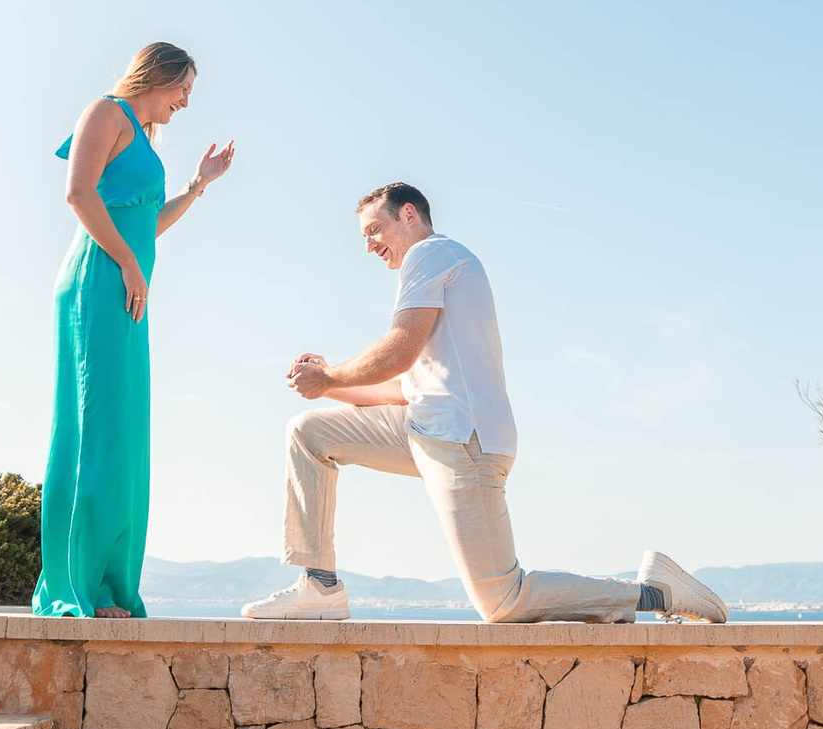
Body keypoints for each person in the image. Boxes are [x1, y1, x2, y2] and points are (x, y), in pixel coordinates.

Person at [244, 182, 727, 624]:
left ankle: (651, 592)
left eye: (375, 229)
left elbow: (400, 348)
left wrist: (329, 374)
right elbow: (403, 385)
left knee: (501, 600)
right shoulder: (431, 271)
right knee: (310, 432)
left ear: (409, 215)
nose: (369, 243)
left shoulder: (431, 254)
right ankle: (320, 588)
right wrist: (326, 387)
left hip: (462, 440)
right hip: (423, 426)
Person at [33, 42, 235, 618]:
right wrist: (125, 261)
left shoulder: (144, 140)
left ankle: (108, 586)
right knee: (94, 431)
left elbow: (150, 221)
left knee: (123, 438)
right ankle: (77, 587)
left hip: (127, 291)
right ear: (160, 76)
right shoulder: (105, 112)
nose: (186, 102)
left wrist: (199, 185)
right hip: (98, 282)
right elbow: (78, 194)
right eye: (183, 89)